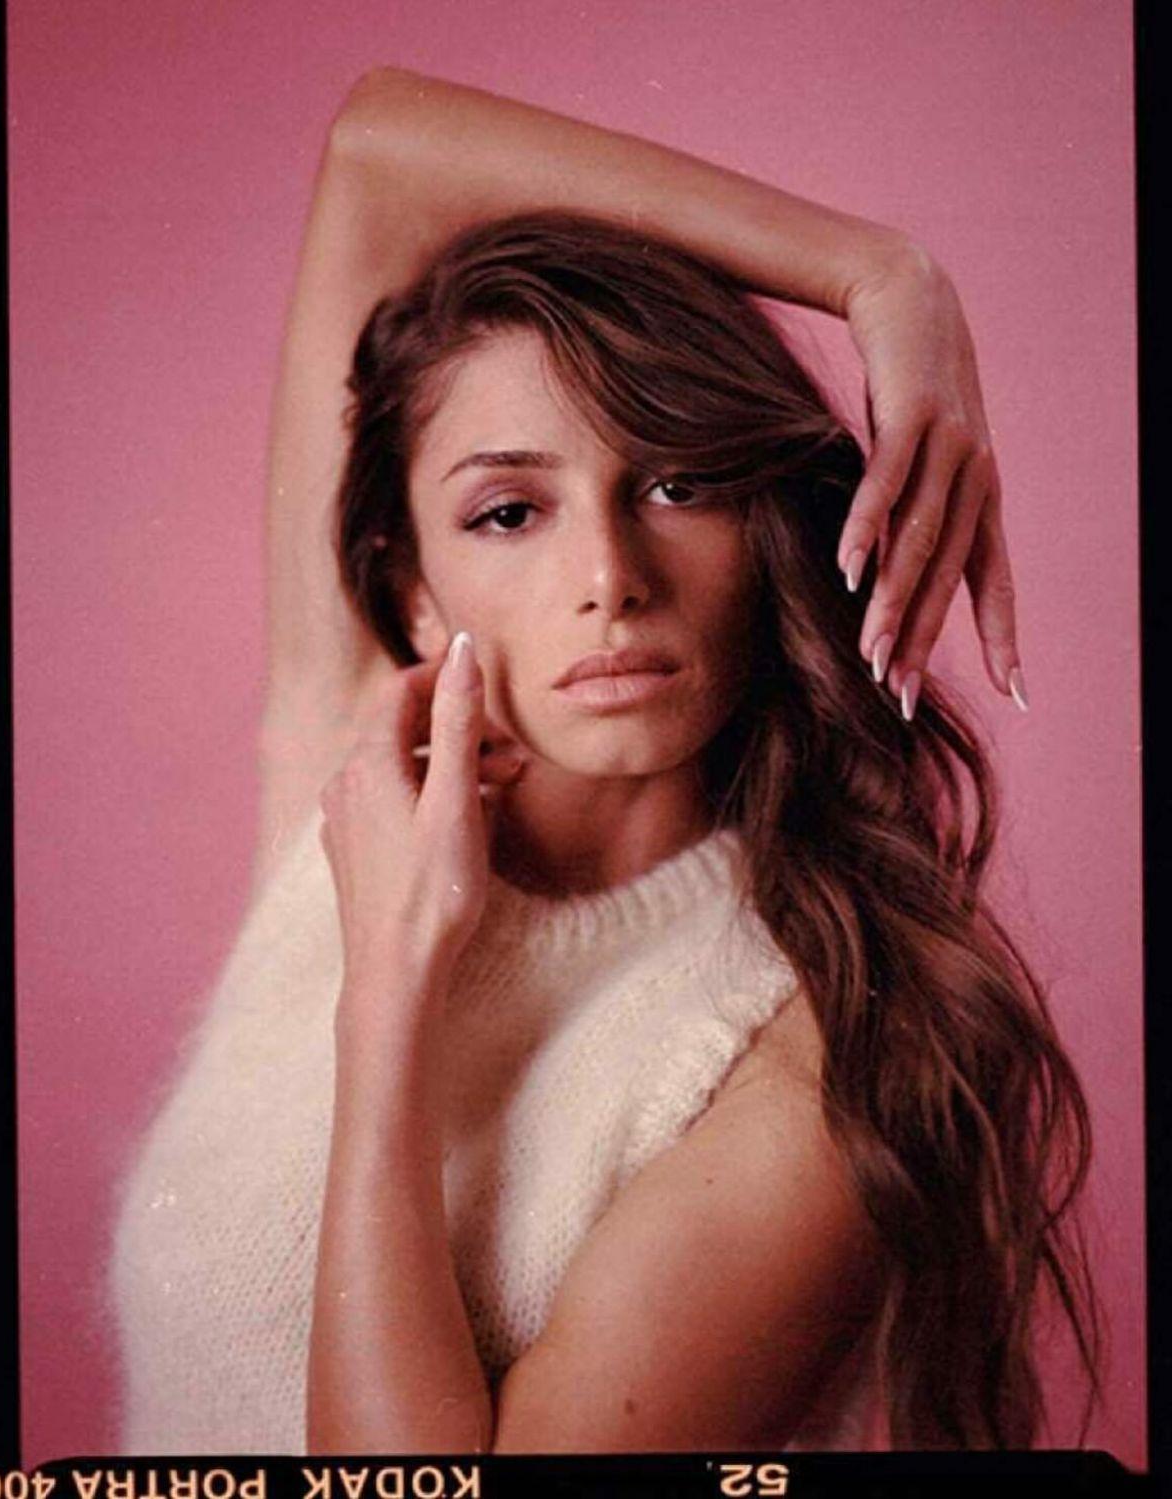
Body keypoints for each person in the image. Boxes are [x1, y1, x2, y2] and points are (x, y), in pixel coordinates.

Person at [110, 67, 1099, 1454]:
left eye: (679, 483)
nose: (609, 576)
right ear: (413, 594)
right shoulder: (352, 771)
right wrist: (878, 275)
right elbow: (382, 152)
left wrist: (391, 992)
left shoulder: (819, 1058)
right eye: (510, 512)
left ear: (773, 526)